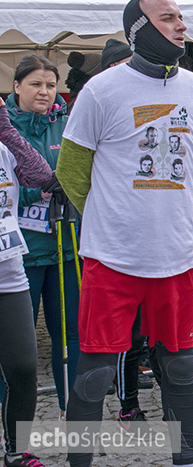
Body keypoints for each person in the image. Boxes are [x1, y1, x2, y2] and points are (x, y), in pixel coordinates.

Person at [57, 0, 193, 467]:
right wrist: (114, 213)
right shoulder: (102, 90)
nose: (181, 26)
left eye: (182, 17)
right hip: (113, 257)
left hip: (176, 257)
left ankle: (184, 458)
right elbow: (71, 171)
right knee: (95, 371)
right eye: (168, 18)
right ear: (138, 29)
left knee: (181, 366)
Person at [8, 55, 80, 420]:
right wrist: (39, 190)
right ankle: (13, 422)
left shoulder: (66, 123)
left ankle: (73, 410)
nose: (44, 92)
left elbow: (78, 175)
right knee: (16, 346)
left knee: (70, 336)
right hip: (19, 254)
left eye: (50, 85)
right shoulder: (6, 128)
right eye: (36, 84)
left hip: (65, 248)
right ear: (17, 86)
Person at [0, 95, 53, 467]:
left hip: (9, 272)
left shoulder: (5, 149)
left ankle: (17, 449)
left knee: (22, 366)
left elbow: (41, 176)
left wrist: (7, 130)